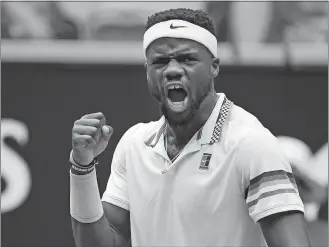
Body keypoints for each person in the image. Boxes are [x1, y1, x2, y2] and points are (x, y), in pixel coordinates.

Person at [69, 8, 311, 247]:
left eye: (188, 59)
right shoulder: (134, 144)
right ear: (147, 72)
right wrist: (82, 166)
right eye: (160, 61)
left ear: (214, 66)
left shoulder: (251, 144)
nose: (173, 70)